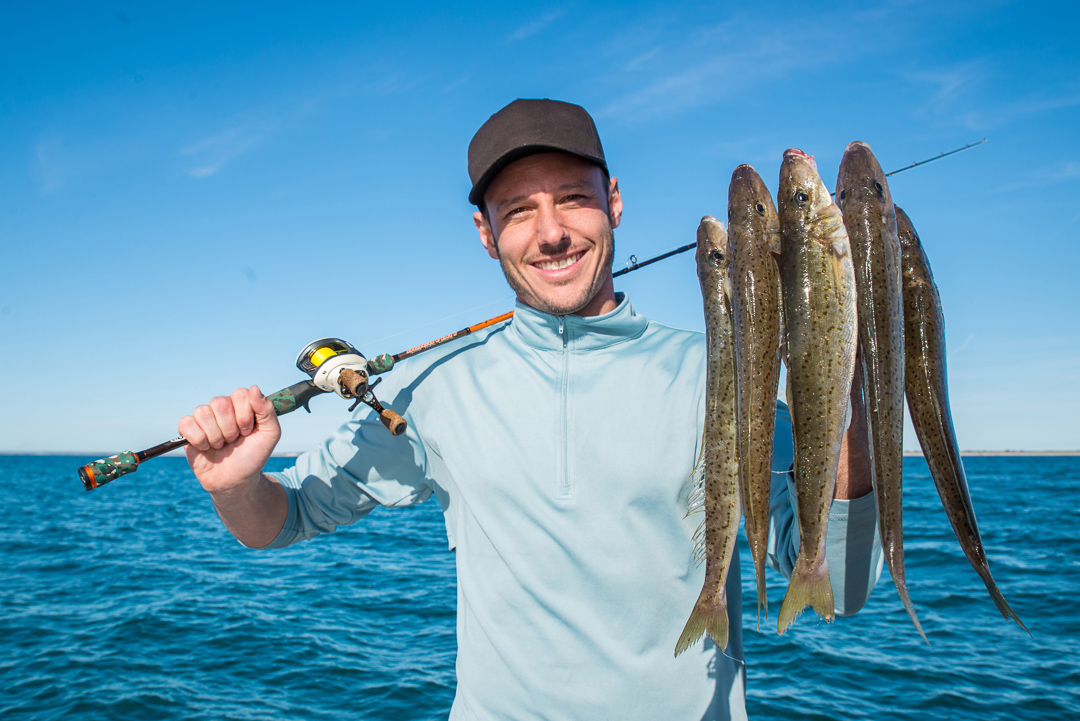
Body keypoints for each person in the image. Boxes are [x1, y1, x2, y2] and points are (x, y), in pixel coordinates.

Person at [179, 98, 883, 721]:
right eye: (518, 211)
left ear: (613, 201)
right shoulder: (432, 390)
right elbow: (288, 517)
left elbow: (839, 587)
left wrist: (841, 378)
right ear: (487, 235)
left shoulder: (727, 375)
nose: (550, 233)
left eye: (572, 199)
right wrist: (237, 485)